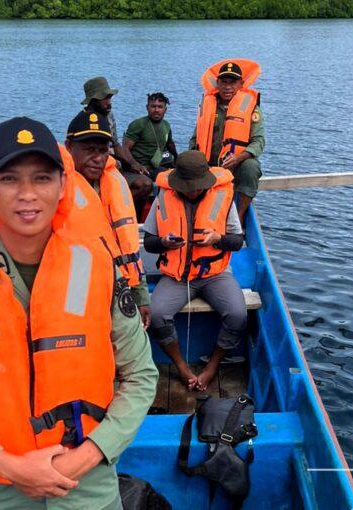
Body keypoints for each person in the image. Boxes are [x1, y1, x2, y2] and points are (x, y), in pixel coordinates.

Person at [0, 117, 157, 510]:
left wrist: (85, 456)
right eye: (8, 179)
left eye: (41, 178)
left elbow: (140, 376)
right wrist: (12, 467)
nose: (26, 194)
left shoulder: (99, 267)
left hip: (87, 487)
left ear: (63, 185)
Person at [143, 150, 247, 392]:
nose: (190, 191)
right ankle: (181, 367)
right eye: (186, 186)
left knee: (238, 315)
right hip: (177, 277)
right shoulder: (163, 198)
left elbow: (238, 241)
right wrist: (164, 242)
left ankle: (211, 367)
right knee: (157, 314)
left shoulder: (223, 198)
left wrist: (217, 238)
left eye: (195, 187)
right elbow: (148, 242)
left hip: (216, 274)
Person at [64, 109, 151, 328]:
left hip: (118, 286)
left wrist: (141, 295)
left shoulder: (114, 185)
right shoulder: (54, 190)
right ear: (68, 147)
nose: (98, 158)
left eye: (103, 151)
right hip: (73, 294)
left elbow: (128, 244)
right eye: (89, 150)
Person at [189, 60, 265, 224]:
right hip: (208, 163)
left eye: (233, 82)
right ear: (218, 83)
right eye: (224, 81)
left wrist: (238, 158)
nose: (227, 87)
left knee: (252, 167)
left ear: (241, 84)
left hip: (235, 164)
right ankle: (195, 218)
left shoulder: (251, 107)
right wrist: (195, 160)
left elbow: (258, 142)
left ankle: (238, 217)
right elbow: (195, 139)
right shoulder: (208, 105)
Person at [82, 76, 153, 215]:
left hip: (115, 168)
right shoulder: (83, 121)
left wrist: (133, 164)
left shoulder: (109, 116)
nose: (109, 103)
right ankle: (109, 216)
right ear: (94, 100)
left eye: (110, 98)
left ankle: (132, 222)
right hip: (98, 170)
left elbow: (115, 144)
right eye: (105, 99)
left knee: (145, 184)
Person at [123, 92, 178, 180]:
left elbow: (170, 144)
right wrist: (135, 164)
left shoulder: (166, 125)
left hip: (156, 166)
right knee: (171, 178)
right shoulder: (139, 124)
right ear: (147, 108)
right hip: (140, 168)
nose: (156, 110)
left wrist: (176, 157)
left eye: (160, 107)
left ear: (165, 109)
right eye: (153, 106)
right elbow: (125, 148)